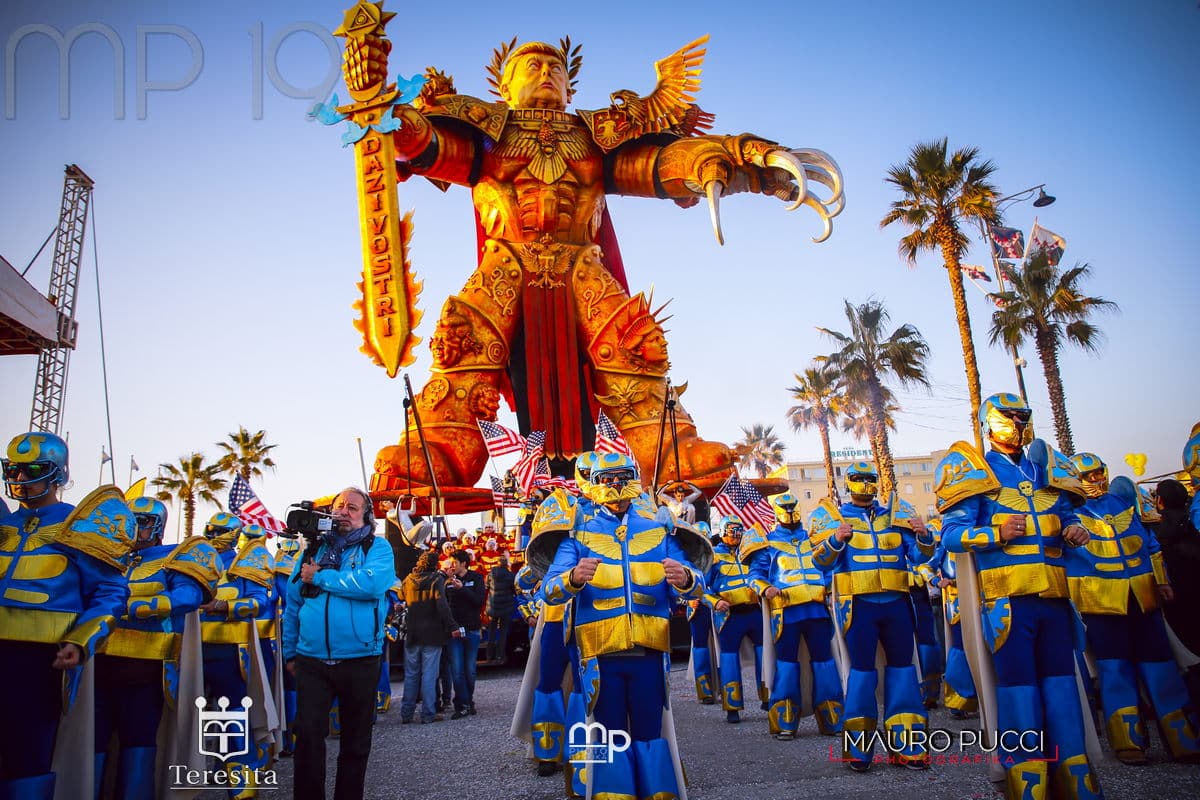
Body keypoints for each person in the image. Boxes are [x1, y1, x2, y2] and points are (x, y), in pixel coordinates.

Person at [346, 33, 840, 494]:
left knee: (630, 349)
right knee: (464, 348)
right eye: (532, 65)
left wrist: (729, 158)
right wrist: (389, 113)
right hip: (505, 264)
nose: (545, 73)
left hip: (582, 264)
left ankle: (669, 447)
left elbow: (650, 165)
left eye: (555, 68)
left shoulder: (596, 136)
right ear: (504, 84)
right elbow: (430, 148)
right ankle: (439, 447)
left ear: (569, 83)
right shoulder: (485, 131)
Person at [937, 393, 1103, 799]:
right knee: (1018, 689)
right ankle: (1027, 781)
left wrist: (1076, 529)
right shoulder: (976, 474)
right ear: (987, 422)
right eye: (1006, 415)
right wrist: (994, 533)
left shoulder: (1048, 468)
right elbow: (950, 538)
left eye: (1021, 415)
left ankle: (1074, 776)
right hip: (1007, 603)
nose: (1015, 421)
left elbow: (1070, 515)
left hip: (1055, 600)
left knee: (1062, 687)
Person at [541, 452, 707, 799]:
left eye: (622, 477)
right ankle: (610, 793)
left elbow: (698, 582)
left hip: (649, 650)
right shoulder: (577, 533)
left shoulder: (660, 530)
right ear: (595, 484)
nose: (616, 485)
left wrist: (686, 578)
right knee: (605, 732)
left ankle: (657, 792)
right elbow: (549, 591)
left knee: (649, 730)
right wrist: (572, 577)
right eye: (607, 479)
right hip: (600, 653)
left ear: (632, 478)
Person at [0, 431, 131, 800]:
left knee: (28, 752)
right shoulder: (3, 524)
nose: (20, 478)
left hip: (40, 659)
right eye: (13, 469)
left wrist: (81, 639)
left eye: (32, 469)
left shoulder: (80, 527)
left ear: (57, 472)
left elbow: (111, 591)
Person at [1066, 453, 1200, 764]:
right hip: (1100, 601)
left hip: (1142, 594)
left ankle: (1183, 737)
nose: (1096, 480)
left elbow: (1150, 544)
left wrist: (1162, 580)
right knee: (1115, 670)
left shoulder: (1127, 499)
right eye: (1088, 476)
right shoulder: (1067, 510)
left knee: (1161, 665)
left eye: (1099, 473)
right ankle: (1128, 741)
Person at [94, 496, 219, 799]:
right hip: (97, 662)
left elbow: (190, 597)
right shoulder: (109, 556)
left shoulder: (174, 557)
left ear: (158, 525)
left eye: (141, 521)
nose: (132, 527)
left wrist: (138, 607)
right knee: (92, 741)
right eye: (128, 520)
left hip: (147, 665)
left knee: (138, 740)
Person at [811, 461, 931, 771]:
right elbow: (820, 563)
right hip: (859, 607)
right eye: (858, 478)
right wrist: (837, 539)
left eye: (869, 478)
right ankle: (859, 751)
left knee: (903, 671)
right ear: (848, 482)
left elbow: (920, 556)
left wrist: (924, 536)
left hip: (897, 605)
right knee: (862, 674)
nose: (865, 483)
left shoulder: (896, 513)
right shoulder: (833, 517)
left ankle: (909, 746)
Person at [282, 487, 395, 800]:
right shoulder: (311, 551)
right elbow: (292, 606)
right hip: (311, 661)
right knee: (307, 739)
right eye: (340, 506)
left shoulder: (378, 547)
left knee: (355, 744)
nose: (344, 512)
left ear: (366, 515)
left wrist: (321, 578)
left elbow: (372, 584)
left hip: (360, 659)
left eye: (353, 508)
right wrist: (290, 652)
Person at [744, 492, 843, 740]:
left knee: (825, 663)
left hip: (817, 610)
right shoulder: (767, 543)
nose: (789, 512)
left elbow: (828, 567)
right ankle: (785, 718)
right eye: (784, 508)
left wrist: (830, 587)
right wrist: (765, 588)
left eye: (792, 507)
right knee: (787, 665)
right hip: (785, 611)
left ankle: (831, 716)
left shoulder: (814, 539)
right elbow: (754, 575)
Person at [198, 512, 275, 797]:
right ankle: (214, 770)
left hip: (230, 650)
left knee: (234, 713)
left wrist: (222, 606)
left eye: (216, 529)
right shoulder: (194, 560)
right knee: (195, 714)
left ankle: (242, 779)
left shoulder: (245, 563)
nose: (210, 532)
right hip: (192, 650)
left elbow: (259, 602)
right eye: (209, 528)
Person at [705, 514, 766, 724]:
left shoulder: (751, 552)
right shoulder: (713, 556)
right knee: (729, 659)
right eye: (732, 531)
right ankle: (732, 706)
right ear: (722, 532)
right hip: (729, 615)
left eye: (739, 530)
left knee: (765, 654)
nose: (736, 535)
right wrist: (714, 602)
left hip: (753, 610)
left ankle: (768, 698)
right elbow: (701, 588)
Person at [399, 550, 456, 724]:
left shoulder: (408, 579)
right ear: (434, 564)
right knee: (430, 675)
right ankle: (428, 713)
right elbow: (442, 605)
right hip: (432, 632)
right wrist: (452, 626)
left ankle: (406, 713)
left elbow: (402, 596)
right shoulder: (436, 579)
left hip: (412, 632)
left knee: (411, 674)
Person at [445, 549, 486, 718]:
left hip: (472, 629)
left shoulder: (475, 578)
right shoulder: (447, 581)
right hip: (454, 632)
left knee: (470, 670)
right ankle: (460, 704)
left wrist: (462, 589)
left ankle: (469, 701)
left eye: (454, 562)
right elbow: (445, 605)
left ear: (463, 563)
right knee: (456, 670)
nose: (451, 565)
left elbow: (479, 601)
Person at [485, 550, 516, 665]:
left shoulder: (490, 574)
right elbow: (514, 590)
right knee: (503, 632)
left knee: (491, 632)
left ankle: (489, 655)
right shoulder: (510, 575)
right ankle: (500, 656)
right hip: (506, 607)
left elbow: (487, 586)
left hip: (493, 607)